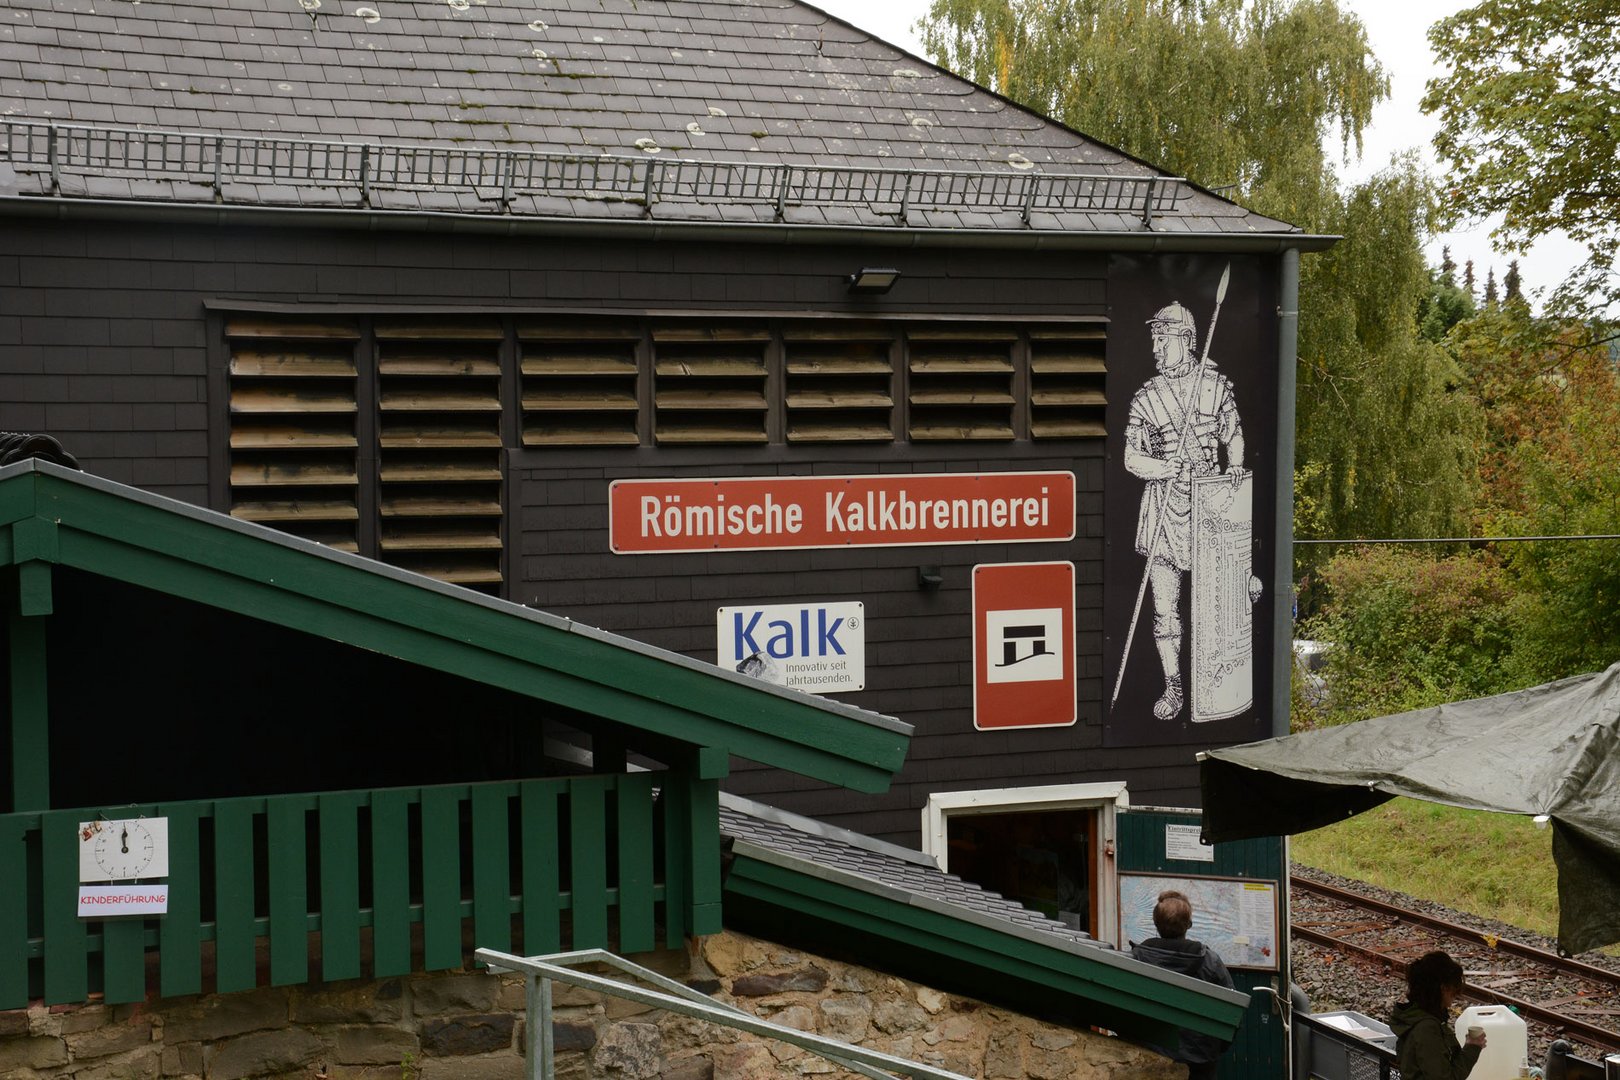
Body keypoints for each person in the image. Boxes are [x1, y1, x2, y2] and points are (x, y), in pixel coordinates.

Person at [1122, 301, 1248, 721]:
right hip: (1162, 511)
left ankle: (1216, 682)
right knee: (1165, 612)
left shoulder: (1214, 385)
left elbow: (1234, 436)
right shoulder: (1147, 397)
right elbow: (1130, 458)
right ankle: (1174, 688)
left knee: (1219, 605)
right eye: (1153, 339)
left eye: (1163, 339)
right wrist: (1162, 467)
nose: (1155, 348)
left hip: (1210, 510)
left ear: (1187, 340)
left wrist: (1234, 468)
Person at [1130, 889, 1235, 1079]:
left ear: (1156, 924)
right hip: (1199, 1057)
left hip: (1149, 1047)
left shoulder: (1138, 957)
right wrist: (1214, 1048)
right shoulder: (1210, 961)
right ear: (1189, 925)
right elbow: (1232, 1013)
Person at [1390, 950, 1485, 1080]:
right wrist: (1473, 1048)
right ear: (1443, 988)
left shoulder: (1418, 1018)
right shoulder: (1427, 1028)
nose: (1454, 997)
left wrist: (1470, 1045)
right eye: (1453, 990)